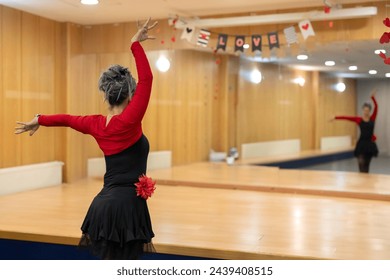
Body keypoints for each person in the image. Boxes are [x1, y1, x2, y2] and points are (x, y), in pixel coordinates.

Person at [15, 18, 158, 259]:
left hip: (102, 207)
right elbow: (148, 79)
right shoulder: (131, 119)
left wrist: (39, 119)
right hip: (126, 209)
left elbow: (68, 119)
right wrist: (135, 43)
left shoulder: (97, 124)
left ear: (108, 95)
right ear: (130, 94)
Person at [331, 90, 378, 173]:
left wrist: (373, 98)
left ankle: (366, 180)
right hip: (361, 143)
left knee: (366, 164)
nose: (366, 112)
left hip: (369, 144)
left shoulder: (372, 118)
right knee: (361, 162)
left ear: (369, 111)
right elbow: (347, 118)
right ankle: (362, 177)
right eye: (364, 110)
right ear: (363, 110)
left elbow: (376, 107)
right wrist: (335, 117)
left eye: (367, 110)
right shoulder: (359, 119)